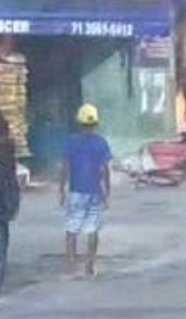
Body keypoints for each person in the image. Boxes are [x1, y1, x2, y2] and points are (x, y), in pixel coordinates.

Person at [59, 103, 112, 279]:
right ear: (95, 123)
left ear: (79, 123)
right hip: (94, 192)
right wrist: (107, 191)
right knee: (92, 230)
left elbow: (65, 167)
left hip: (76, 192)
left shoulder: (71, 142)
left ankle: (71, 267)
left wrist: (61, 189)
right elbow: (105, 169)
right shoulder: (101, 143)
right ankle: (89, 267)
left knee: (72, 230)